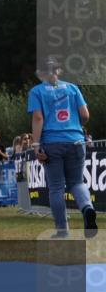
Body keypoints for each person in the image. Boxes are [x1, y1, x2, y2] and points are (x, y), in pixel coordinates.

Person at [28, 59, 97, 238]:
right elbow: (85, 115)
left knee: (56, 188)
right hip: (76, 140)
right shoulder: (73, 88)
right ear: (58, 70)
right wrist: (74, 126)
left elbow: (38, 118)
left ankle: (62, 230)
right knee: (77, 182)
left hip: (52, 143)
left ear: (41, 73)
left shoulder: (37, 91)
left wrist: (36, 145)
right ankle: (87, 208)